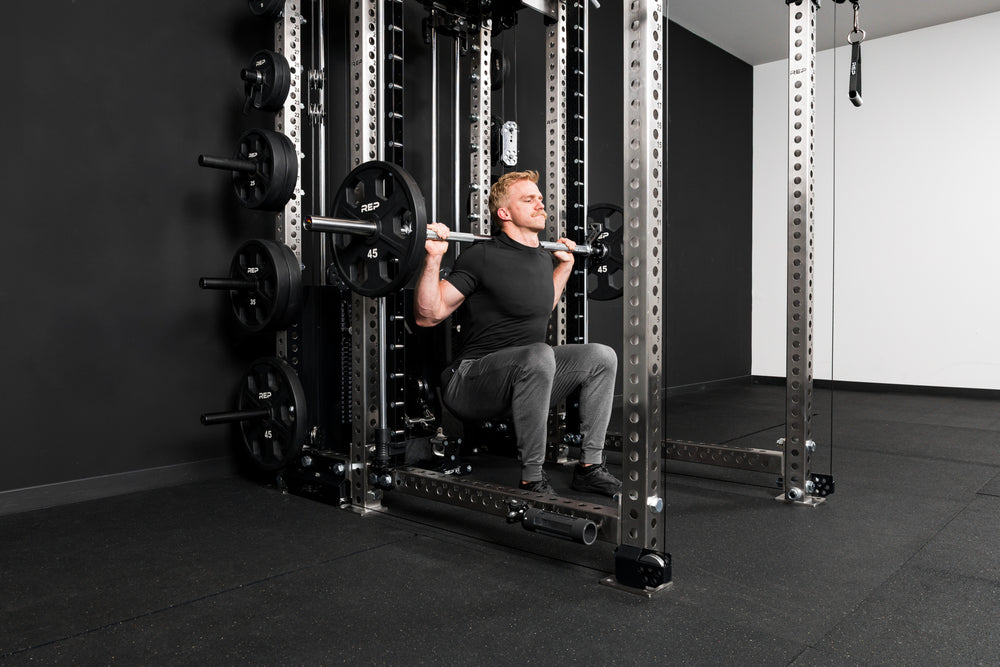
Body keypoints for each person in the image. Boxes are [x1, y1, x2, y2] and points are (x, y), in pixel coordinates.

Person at [413, 170, 621, 498]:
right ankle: (532, 478)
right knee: (539, 353)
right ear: (504, 214)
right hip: (469, 382)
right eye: (529, 199)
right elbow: (429, 315)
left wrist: (564, 267)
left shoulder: (541, 256)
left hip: (525, 379)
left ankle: (589, 467)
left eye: (540, 198)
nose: (540, 204)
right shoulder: (481, 256)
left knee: (601, 356)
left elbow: (537, 306)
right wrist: (433, 258)